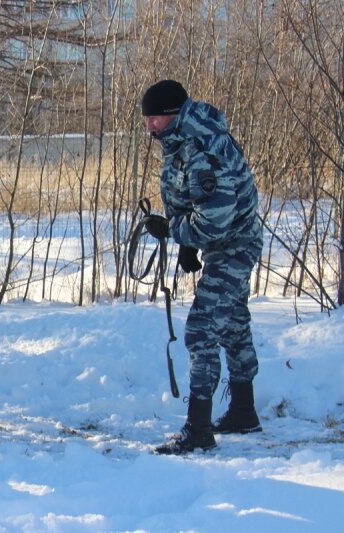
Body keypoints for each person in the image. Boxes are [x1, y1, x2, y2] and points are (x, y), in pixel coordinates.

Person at [141, 80, 263, 455]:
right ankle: (243, 410)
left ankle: (198, 430)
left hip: (234, 247)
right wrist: (188, 246)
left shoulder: (204, 149)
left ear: (172, 115)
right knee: (233, 322)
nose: (150, 128)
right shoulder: (181, 140)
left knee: (200, 331)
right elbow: (190, 199)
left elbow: (214, 221)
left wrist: (174, 230)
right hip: (221, 246)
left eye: (154, 119)